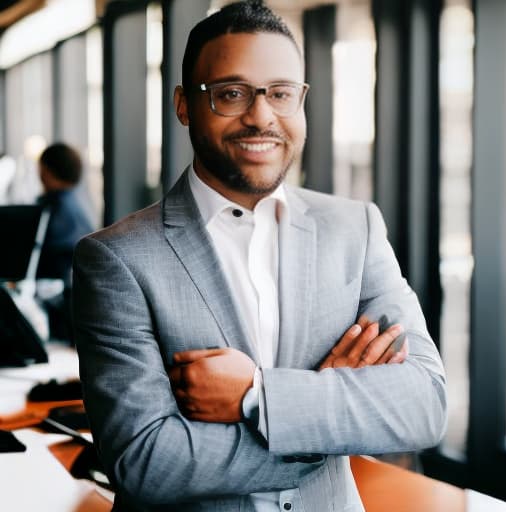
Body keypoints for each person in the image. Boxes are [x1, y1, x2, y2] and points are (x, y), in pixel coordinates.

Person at [72, 2, 447, 511]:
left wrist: (257, 393)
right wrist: (322, 429)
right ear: (184, 105)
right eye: (231, 94)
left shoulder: (355, 229)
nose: (262, 116)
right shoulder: (116, 259)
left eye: (281, 93)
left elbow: (422, 405)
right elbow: (146, 461)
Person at [37, 142, 93, 339]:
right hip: (77, 297)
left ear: (46, 171)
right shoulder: (80, 202)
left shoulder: (54, 208)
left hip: (58, 302)